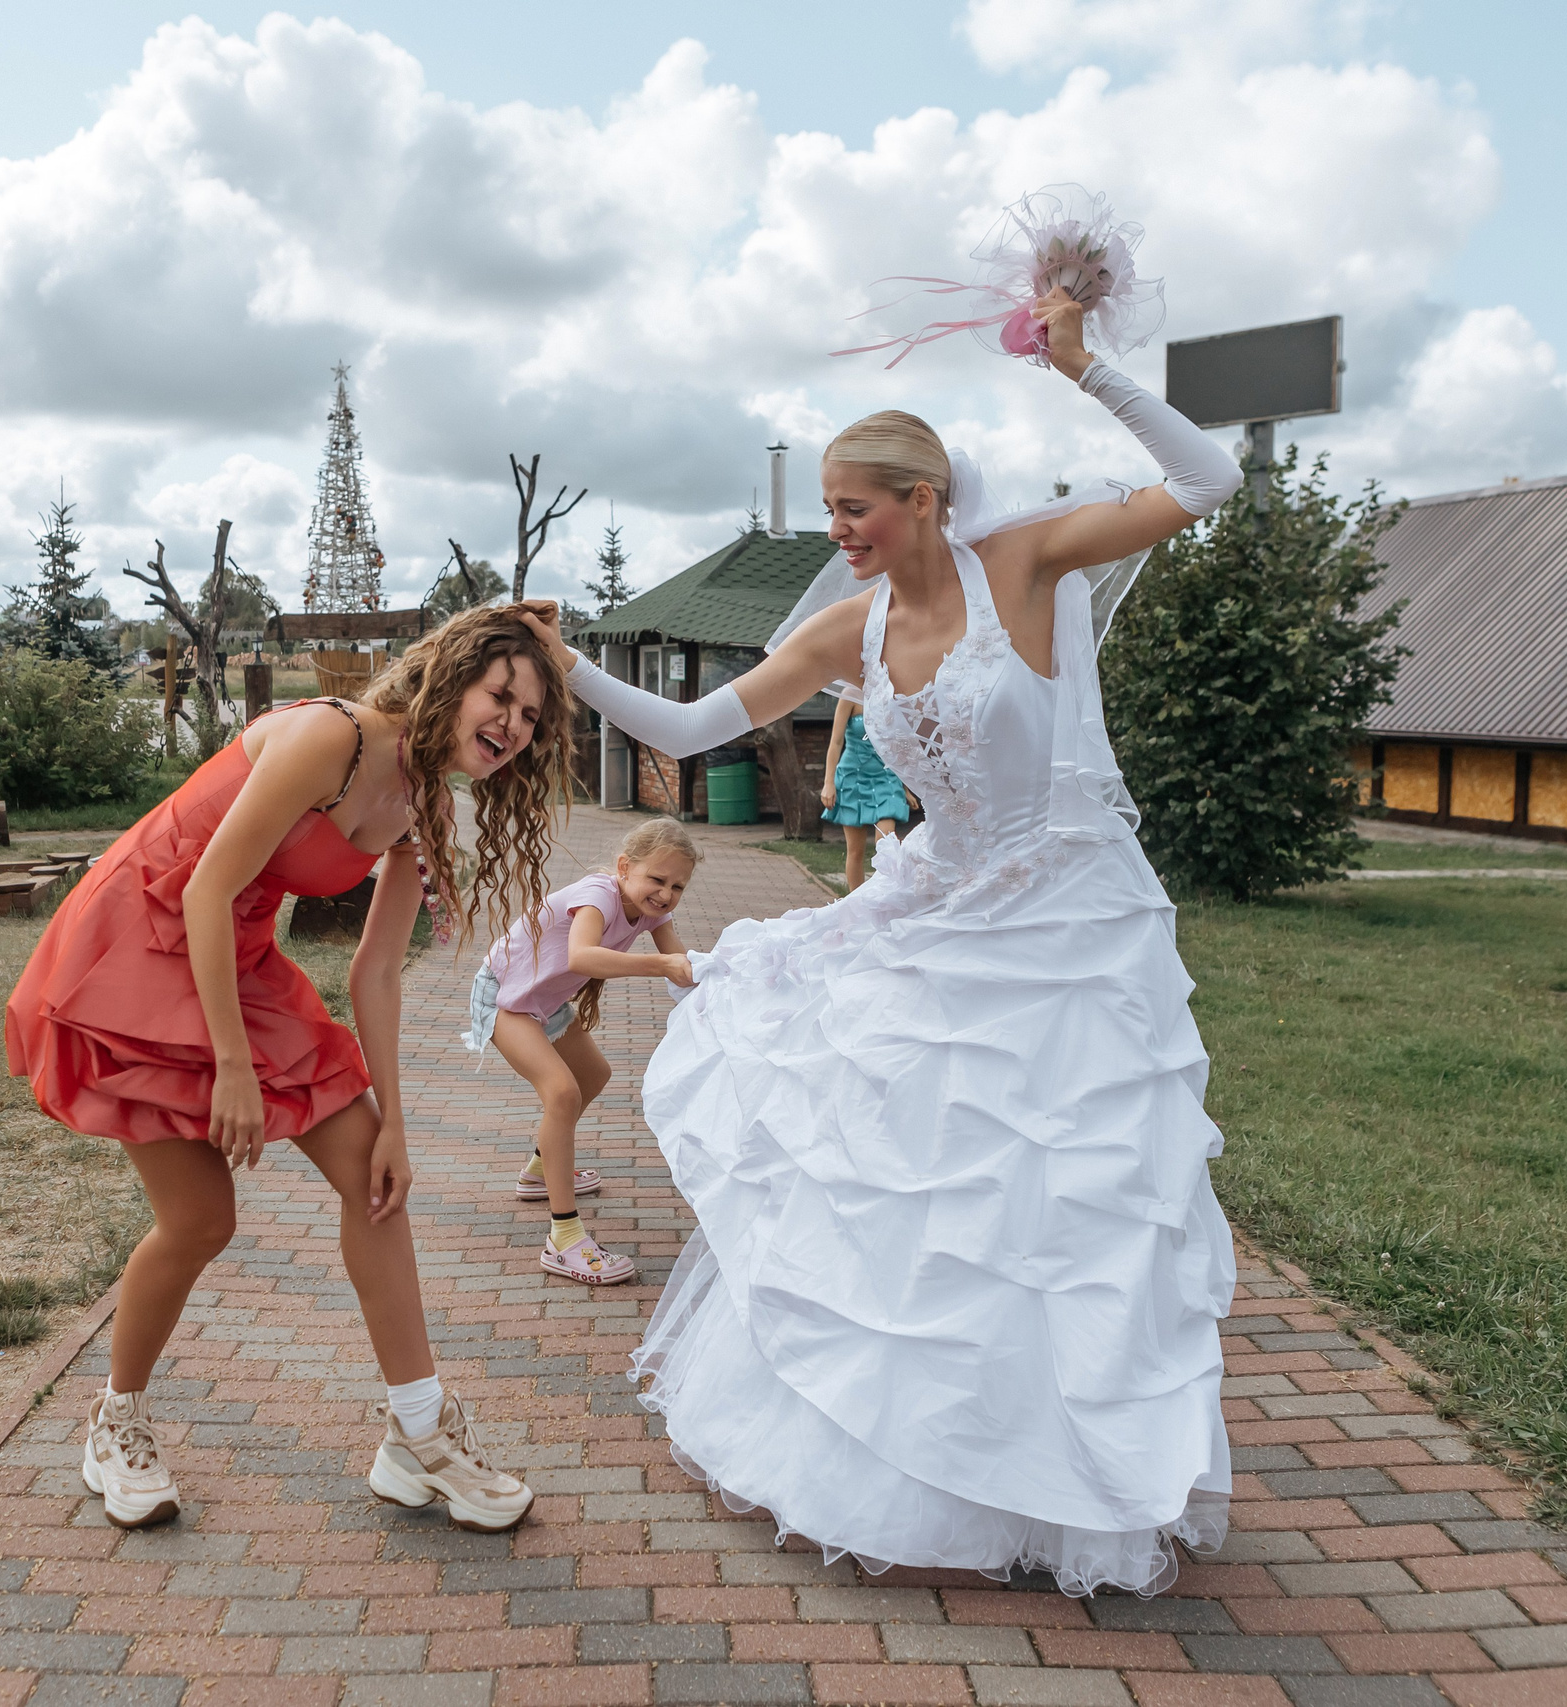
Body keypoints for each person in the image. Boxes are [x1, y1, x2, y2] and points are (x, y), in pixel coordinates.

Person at [516, 286, 1247, 1593]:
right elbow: (688, 729)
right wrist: (565, 665)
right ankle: (920, 1447)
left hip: (1064, 919)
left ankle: (1071, 1468)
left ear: (922, 498)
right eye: (828, 509)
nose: (837, 530)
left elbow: (1208, 479)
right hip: (939, 902)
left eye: (854, 507)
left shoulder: (1022, 563)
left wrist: (1085, 367)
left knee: (1058, 1191)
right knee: (918, 1166)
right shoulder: (843, 628)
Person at [5, 605, 575, 1535]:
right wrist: (233, 1066)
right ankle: (115, 1421)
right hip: (144, 935)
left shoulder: (424, 808)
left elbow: (376, 971)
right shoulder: (330, 737)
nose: (511, 724)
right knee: (201, 1220)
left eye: (530, 716)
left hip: (233, 951)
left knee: (374, 1181)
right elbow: (206, 885)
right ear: (449, 677)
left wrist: (395, 1123)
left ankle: (418, 1435)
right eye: (500, 695)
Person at [465, 817, 699, 1285]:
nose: (665, 894)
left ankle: (539, 1171)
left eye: (677, 886)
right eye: (657, 879)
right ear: (624, 867)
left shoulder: (651, 910)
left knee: (593, 1075)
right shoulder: (599, 895)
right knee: (562, 1093)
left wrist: (728, 979)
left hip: (545, 1000)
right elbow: (582, 956)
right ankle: (564, 1239)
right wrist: (660, 965)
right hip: (506, 994)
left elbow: (683, 966)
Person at [818, 695, 909, 889]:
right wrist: (828, 783)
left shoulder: (889, 693)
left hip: (886, 777)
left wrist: (907, 788)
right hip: (853, 777)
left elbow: (900, 744)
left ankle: (885, 897)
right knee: (855, 851)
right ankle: (856, 902)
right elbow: (836, 743)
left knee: (886, 846)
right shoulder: (849, 696)